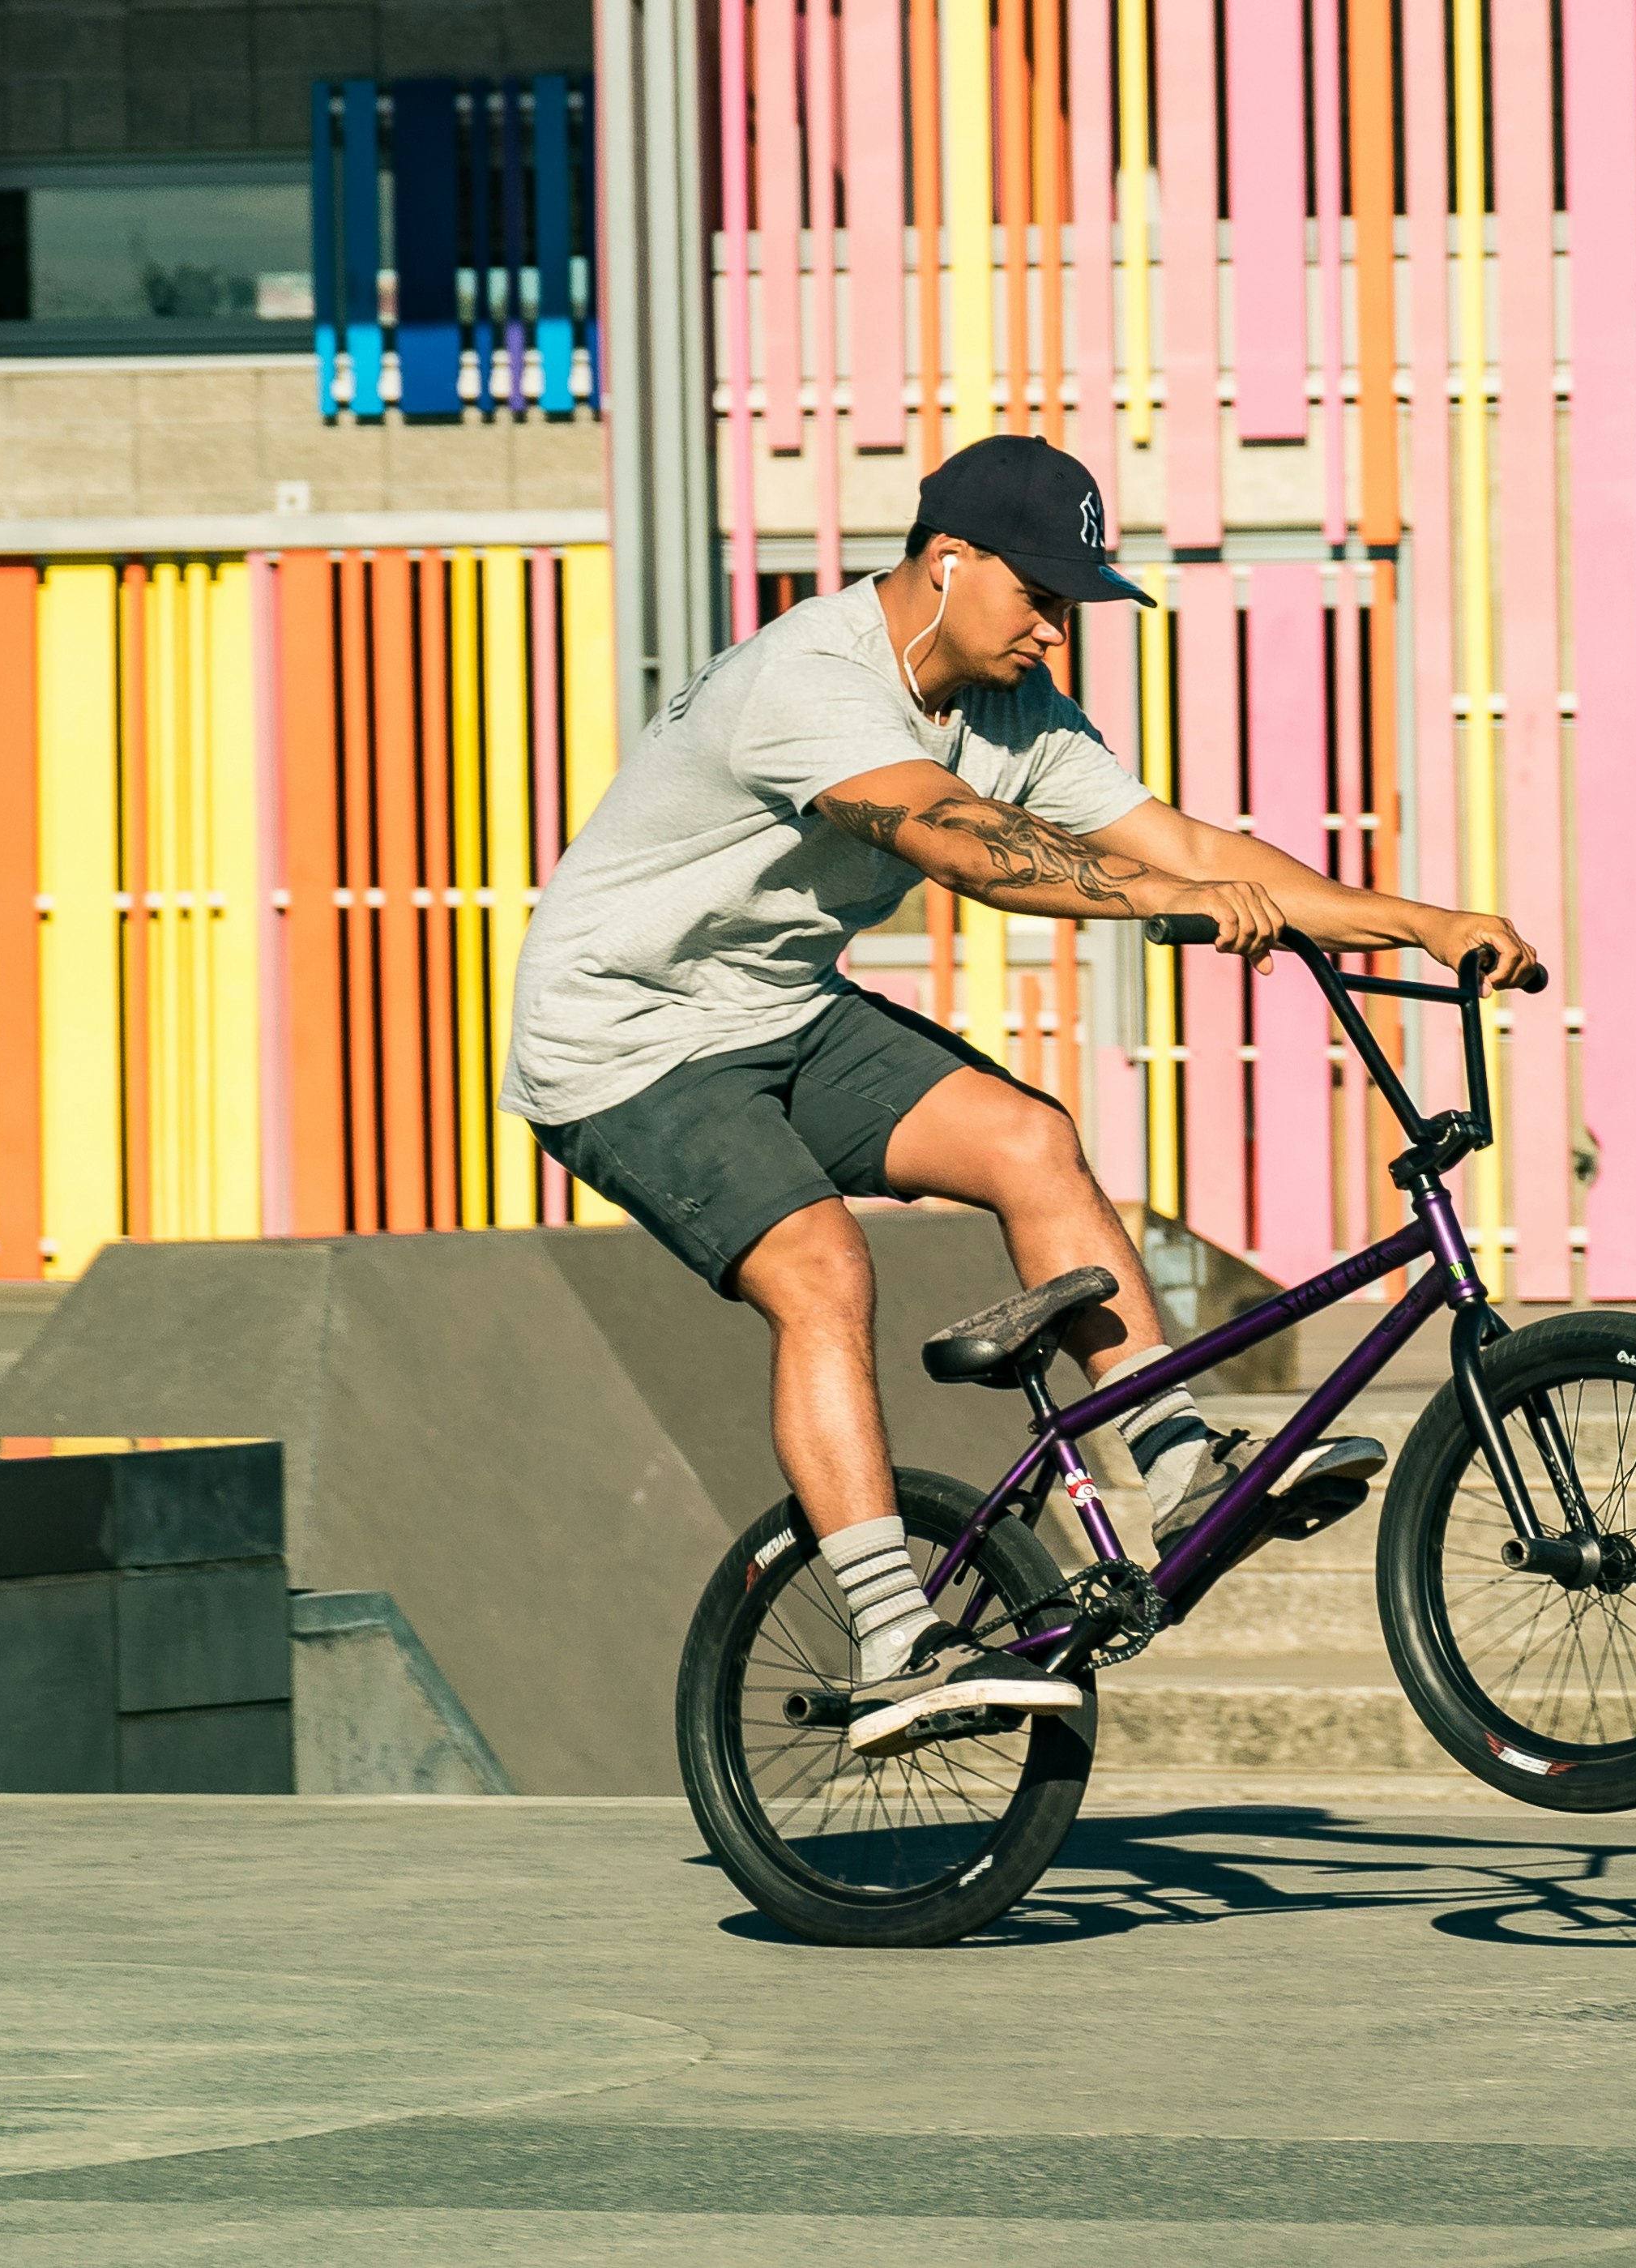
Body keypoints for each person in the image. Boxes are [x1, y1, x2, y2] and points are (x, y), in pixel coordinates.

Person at [502, 434, 1545, 1757]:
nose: (1057, 630)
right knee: (821, 1268)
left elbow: (1191, 846)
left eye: (1073, 605)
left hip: (778, 1011)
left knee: (1029, 1140)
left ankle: (1175, 1467)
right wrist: (1171, 902)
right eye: (1039, 597)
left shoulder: (1013, 713)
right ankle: (893, 1633)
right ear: (949, 563)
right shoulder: (811, 679)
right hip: (622, 1034)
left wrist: (1420, 920)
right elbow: (970, 849)